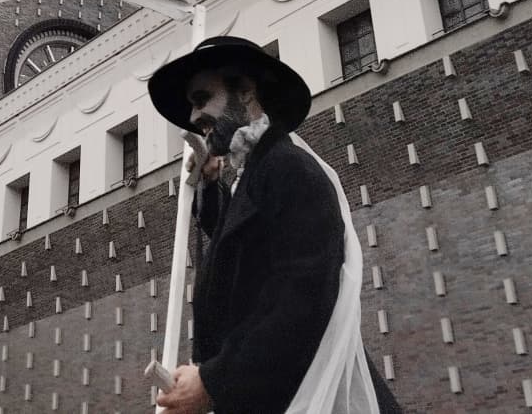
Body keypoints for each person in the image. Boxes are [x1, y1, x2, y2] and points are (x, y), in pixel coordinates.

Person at [148, 36, 402, 414]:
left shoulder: (289, 168)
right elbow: (243, 253)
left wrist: (213, 382)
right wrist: (210, 185)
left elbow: (301, 299)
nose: (193, 117)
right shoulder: (257, 173)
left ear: (245, 90)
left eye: (202, 99)